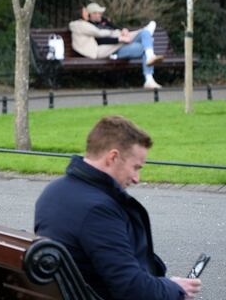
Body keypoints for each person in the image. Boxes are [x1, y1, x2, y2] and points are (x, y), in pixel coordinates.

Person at [35, 116, 201, 300]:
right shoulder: (98, 210)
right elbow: (131, 289)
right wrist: (175, 289)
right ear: (113, 157)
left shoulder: (54, 191)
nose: (137, 178)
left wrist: (166, 285)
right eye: (136, 167)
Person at [69, 3, 163, 90]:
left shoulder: (104, 21)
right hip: (113, 49)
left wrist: (122, 30)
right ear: (90, 14)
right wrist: (119, 39)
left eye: (100, 13)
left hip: (122, 43)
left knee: (145, 34)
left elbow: (115, 28)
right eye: (96, 13)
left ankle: (150, 57)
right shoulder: (89, 26)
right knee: (144, 46)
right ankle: (149, 77)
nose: (99, 15)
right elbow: (101, 39)